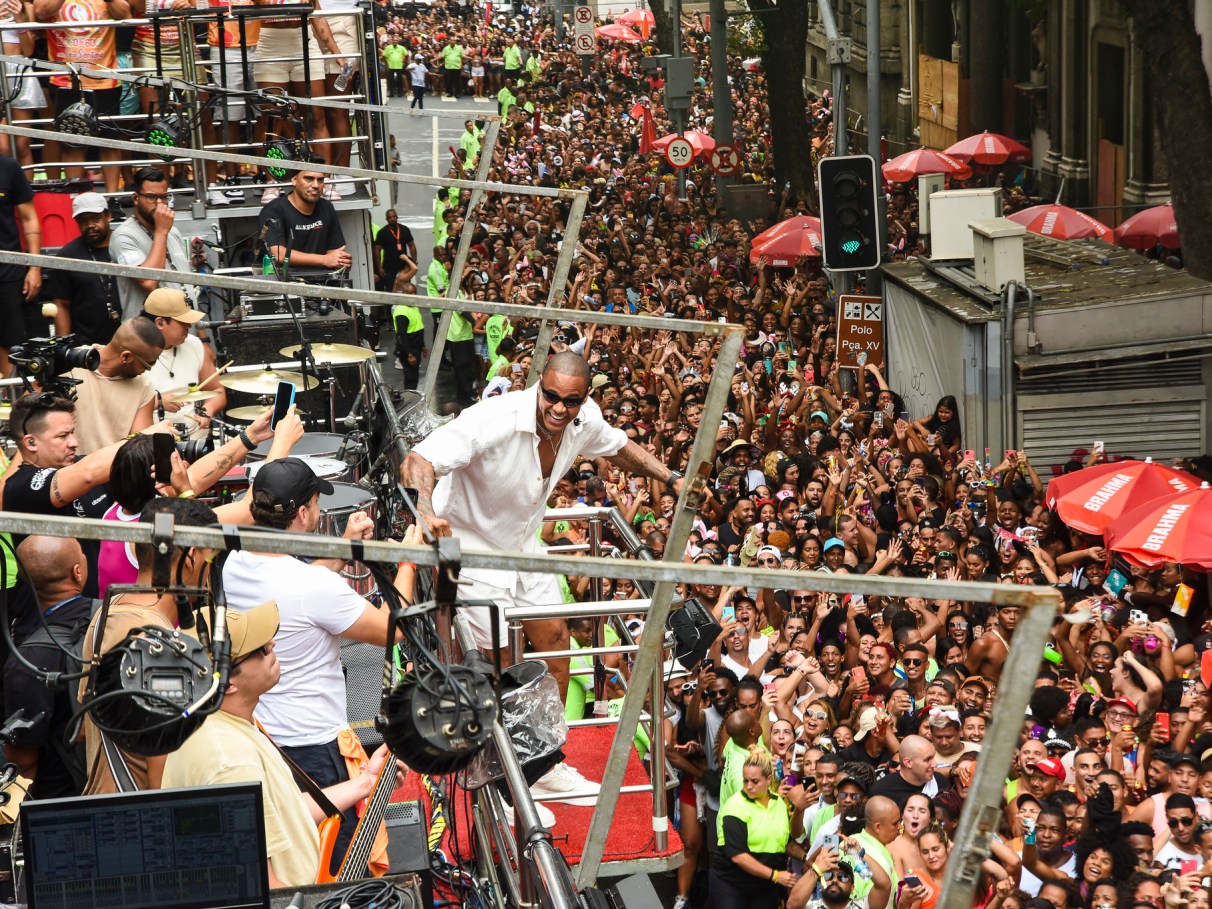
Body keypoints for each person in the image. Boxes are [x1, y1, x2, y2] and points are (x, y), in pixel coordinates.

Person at [402, 351, 690, 804]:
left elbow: (618, 447)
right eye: (551, 397)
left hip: (524, 544)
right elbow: (419, 460)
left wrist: (671, 477)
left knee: (556, 648)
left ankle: (543, 763)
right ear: (539, 386)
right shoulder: (493, 418)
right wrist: (423, 511)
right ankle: (502, 773)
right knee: (498, 666)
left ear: (584, 399)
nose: (558, 408)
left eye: (570, 401)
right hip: (472, 548)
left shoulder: (584, 420)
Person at [222, 457, 415, 874]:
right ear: (304, 513)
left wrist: (342, 549)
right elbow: (392, 630)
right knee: (338, 864)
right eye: (316, 503)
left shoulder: (235, 563)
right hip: (317, 747)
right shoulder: (313, 585)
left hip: (269, 740)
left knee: (294, 854)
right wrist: (409, 564)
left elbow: (298, 595)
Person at [161, 600, 408, 887]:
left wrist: (367, 782)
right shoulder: (229, 762)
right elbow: (261, 889)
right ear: (228, 684)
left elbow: (285, 813)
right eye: (260, 648)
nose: (272, 645)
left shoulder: (226, 724)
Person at [78, 497, 219, 794]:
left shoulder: (106, 614)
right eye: (211, 558)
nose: (211, 572)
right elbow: (162, 763)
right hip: (139, 814)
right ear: (190, 558)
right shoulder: (156, 643)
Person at [3, 535, 91, 798]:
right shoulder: (113, 620)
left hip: (61, 798)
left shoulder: (27, 661)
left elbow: (22, 761)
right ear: (78, 572)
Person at [709, 748, 797, 909]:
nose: (749, 786)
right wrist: (776, 876)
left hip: (764, 886)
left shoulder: (778, 803)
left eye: (755, 781)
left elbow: (785, 843)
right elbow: (738, 856)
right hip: (731, 884)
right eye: (745, 780)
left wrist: (806, 857)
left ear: (769, 780)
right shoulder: (735, 806)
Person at [67, 318, 165, 455]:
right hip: (65, 471)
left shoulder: (144, 386)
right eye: (148, 364)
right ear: (126, 357)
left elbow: (139, 449)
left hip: (115, 472)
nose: (149, 370)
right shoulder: (68, 364)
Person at [110, 166, 194, 320]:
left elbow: (186, 284)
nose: (160, 203)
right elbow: (149, 281)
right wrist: (161, 231)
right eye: (151, 197)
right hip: (148, 335)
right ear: (135, 198)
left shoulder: (173, 231)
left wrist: (203, 338)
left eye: (164, 196)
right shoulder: (123, 236)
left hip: (185, 329)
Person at [141, 289, 226, 438]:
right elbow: (120, 405)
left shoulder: (193, 344)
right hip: (152, 441)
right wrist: (158, 402)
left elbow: (217, 389)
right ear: (160, 322)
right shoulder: (135, 352)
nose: (189, 326)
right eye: (183, 322)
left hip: (195, 434)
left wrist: (207, 410)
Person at [49, 192, 121, 345]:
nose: (90, 225)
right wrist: (64, 347)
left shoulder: (125, 245)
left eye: (95, 218)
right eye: (83, 221)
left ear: (108, 216)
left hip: (129, 340)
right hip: (87, 346)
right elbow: (61, 304)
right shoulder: (66, 256)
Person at [259, 158, 353, 271]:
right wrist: (324, 260)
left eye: (320, 180)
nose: (316, 185)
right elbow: (279, 254)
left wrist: (341, 261)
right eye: (309, 179)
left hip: (322, 281)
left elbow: (334, 252)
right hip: (286, 282)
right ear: (294, 180)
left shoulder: (326, 207)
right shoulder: (273, 210)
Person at [0, 151, 40, 377]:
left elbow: (29, 218)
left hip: (7, 269)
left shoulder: (8, 167)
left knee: (10, 342)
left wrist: (34, 266)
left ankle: (9, 400)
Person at [373, 208, 417, 293]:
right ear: (386, 219)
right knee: (391, 289)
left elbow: (411, 245)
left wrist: (413, 261)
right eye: (389, 217)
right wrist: (379, 268)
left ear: (397, 217)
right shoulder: (382, 233)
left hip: (403, 266)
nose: (392, 219)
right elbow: (377, 250)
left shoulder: (404, 229)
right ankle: (391, 306)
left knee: (405, 288)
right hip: (389, 268)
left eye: (394, 216)